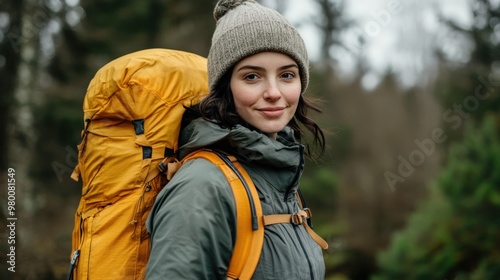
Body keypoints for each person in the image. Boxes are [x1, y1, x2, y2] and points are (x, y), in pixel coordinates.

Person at [145, 0, 327, 279]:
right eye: (252, 76)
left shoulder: (279, 175)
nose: (274, 92)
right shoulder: (203, 187)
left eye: (287, 75)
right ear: (225, 87)